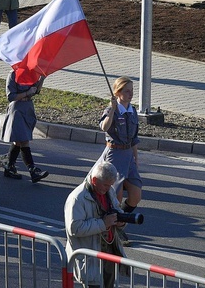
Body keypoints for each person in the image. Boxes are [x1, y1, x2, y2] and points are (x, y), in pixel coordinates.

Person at [65, 161, 127, 288]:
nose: (108, 188)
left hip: (109, 250)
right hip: (91, 255)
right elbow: (74, 228)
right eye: (105, 185)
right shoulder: (77, 198)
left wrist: (121, 221)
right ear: (94, 180)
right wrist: (103, 223)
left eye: (110, 185)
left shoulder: (108, 191)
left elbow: (116, 208)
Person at [97, 76, 141, 246]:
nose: (131, 94)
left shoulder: (132, 110)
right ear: (118, 92)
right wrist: (112, 110)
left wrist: (136, 157)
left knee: (136, 194)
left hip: (128, 155)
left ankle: (119, 222)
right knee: (116, 196)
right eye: (127, 91)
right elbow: (104, 128)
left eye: (132, 90)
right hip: (115, 155)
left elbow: (134, 137)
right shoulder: (112, 109)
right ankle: (114, 230)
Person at [1, 70, 49, 183]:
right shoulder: (13, 74)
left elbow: (36, 90)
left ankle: (9, 166)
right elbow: (11, 96)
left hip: (27, 108)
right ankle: (33, 170)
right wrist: (27, 93)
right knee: (24, 140)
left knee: (18, 141)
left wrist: (42, 78)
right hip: (17, 110)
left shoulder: (31, 73)